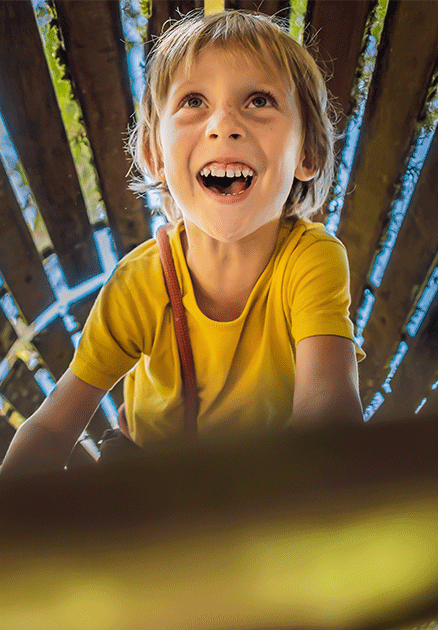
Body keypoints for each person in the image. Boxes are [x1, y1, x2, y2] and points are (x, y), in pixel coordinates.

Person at [1, 9, 364, 476]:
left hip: (263, 478)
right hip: (145, 474)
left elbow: (327, 410)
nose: (224, 124)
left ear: (307, 152)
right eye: (194, 100)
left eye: (258, 101)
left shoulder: (311, 259)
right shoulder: (140, 283)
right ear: (154, 155)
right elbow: (52, 429)